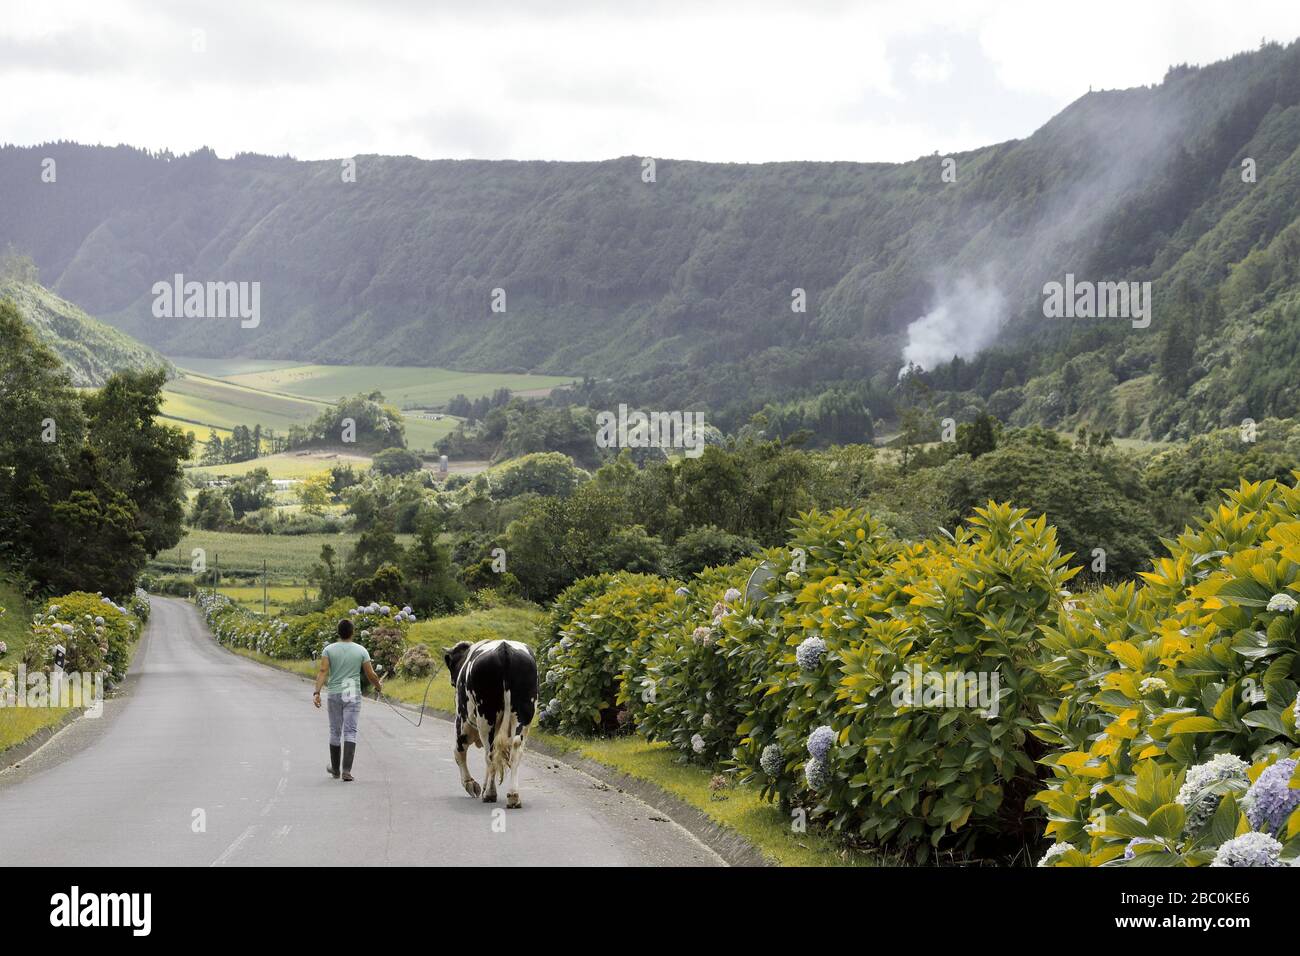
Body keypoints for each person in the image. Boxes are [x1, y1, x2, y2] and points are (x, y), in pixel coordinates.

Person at [313, 619, 382, 781]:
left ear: (338, 632)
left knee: (335, 731)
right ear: (353, 632)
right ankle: (346, 771)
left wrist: (316, 692)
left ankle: (335, 769)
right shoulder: (361, 650)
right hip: (352, 692)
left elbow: (323, 671)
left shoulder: (328, 649)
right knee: (350, 731)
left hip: (335, 692)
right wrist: (378, 686)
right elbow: (370, 674)